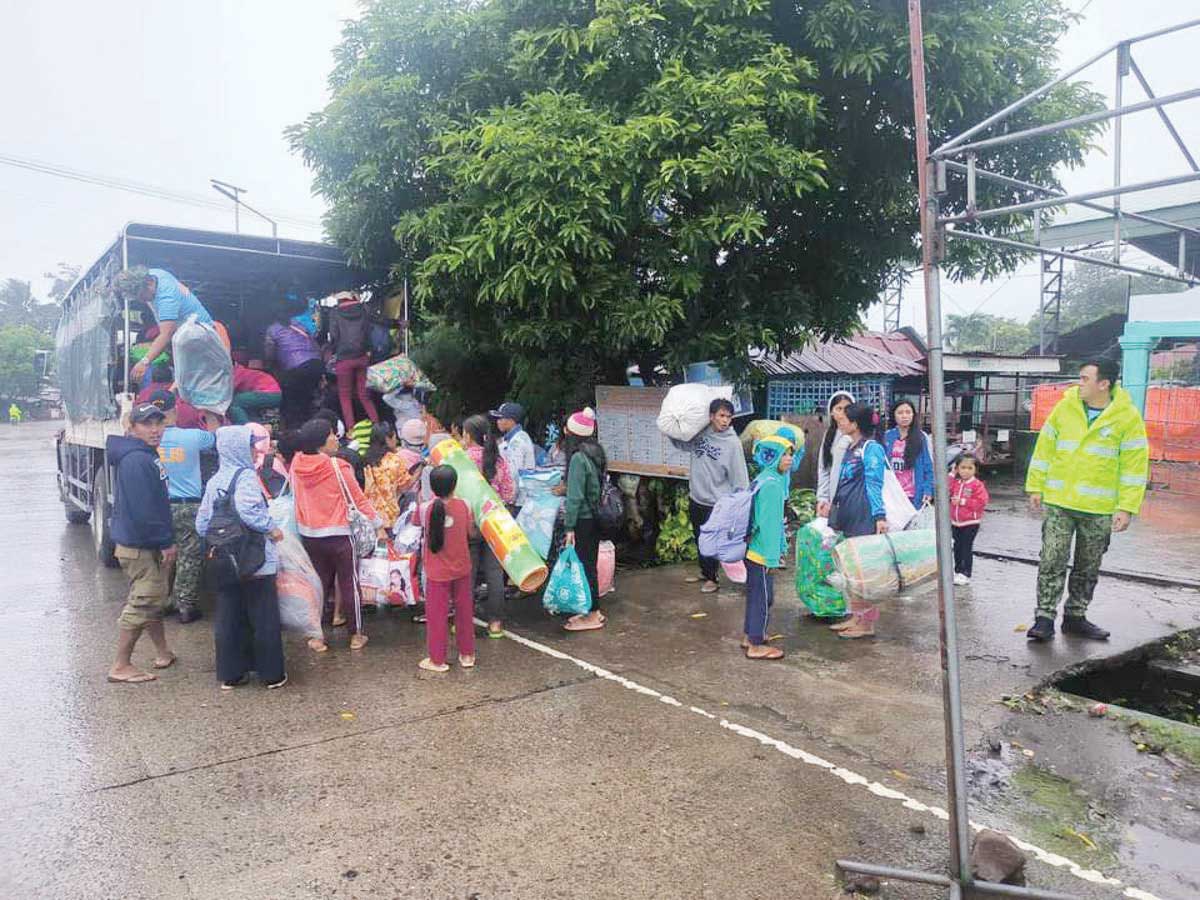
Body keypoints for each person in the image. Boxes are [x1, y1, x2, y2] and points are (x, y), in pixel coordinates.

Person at [1024, 359, 1149, 642]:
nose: (1078, 384)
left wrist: (1126, 507)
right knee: (1052, 560)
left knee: (1088, 565)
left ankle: (1075, 616)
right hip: (1060, 501)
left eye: (1084, 379)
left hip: (1098, 508)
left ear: (1103, 384)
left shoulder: (1127, 417)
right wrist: (1035, 486)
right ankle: (1044, 618)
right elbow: (1044, 448)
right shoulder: (1064, 408)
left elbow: (1134, 465)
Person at [195, 426, 288, 690]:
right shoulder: (246, 477)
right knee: (263, 616)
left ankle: (231, 674)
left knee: (228, 616)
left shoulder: (215, 480)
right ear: (237, 448)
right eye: (248, 445)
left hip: (224, 561)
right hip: (254, 559)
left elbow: (202, 524)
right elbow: (249, 511)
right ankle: (271, 674)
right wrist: (271, 527)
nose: (253, 450)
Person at [290, 418, 386, 650]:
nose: (336, 438)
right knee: (349, 583)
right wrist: (378, 524)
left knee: (318, 584)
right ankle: (356, 635)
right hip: (340, 534)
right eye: (332, 435)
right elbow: (358, 499)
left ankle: (316, 636)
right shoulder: (337, 466)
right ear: (321, 443)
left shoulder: (296, 464)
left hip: (310, 534)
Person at [105, 402, 177, 683]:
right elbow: (144, 510)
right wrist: (165, 541)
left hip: (141, 543)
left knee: (152, 599)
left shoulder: (144, 454)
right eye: (147, 424)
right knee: (142, 602)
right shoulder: (137, 460)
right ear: (132, 427)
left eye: (159, 423)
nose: (155, 429)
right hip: (140, 545)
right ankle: (121, 665)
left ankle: (163, 651)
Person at [151, 390, 216, 623]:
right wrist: (210, 412)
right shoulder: (192, 437)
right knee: (190, 555)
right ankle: (185, 605)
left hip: (160, 507)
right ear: (174, 410)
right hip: (188, 505)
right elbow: (216, 437)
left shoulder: (149, 441)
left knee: (164, 555)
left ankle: (163, 601)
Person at [675, 398, 750, 594]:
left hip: (717, 502)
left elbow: (739, 476)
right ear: (711, 417)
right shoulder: (700, 435)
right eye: (721, 415)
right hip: (696, 496)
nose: (725, 420)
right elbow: (682, 444)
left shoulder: (733, 443)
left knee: (711, 541)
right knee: (699, 537)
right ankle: (704, 571)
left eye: (728, 416)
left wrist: (740, 502)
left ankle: (712, 578)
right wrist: (674, 430)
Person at [828, 403, 889, 640]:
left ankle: (867, 624)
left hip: (865, 514)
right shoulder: (850, 446)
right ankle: (856, 616)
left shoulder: (871, 448)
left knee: (864, 571)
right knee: (851, 568)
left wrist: (879, 516)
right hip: (849, 512)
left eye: (843, 419)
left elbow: (875, 483)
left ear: (855, 424)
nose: (840, 422)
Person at [742, 426, 800, 660]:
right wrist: (773, 557)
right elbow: (770, 525)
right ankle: (756, 644)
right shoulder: (773, 485)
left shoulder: (763, 477)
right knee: (764, 599)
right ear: (773, 455)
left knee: (756, 595)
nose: (789, 458)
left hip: (753, 550)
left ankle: (750, 635)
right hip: (762, 552)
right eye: (784, 453)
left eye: (790, 453)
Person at [418, 465, 478, 672]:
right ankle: (467, 654)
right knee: (464, 611)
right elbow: (471, 533)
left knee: (437, 615)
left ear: (432, 487)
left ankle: (437, 660)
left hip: (436, 571)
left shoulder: (425, 508)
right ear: (455, 485)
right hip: (462, 566)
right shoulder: (466, 505)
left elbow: (417, 523)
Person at [462, 414, 516, 637]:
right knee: (495, 573)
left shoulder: (463, 459)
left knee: (469, 573)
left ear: (467, 435)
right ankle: (496, 624)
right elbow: (510, 493)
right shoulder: (498, 459)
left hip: (470, 522)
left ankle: (464, 623)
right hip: (495, 522)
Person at [115, 267, 216, 385]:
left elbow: (166, 334)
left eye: (141, 295)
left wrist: (144, 362)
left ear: (148, 284)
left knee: (196, 379)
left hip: (200, 339)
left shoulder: (166, 299)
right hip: (187, 335)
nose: (141, 300)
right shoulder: (155, 274)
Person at [562, 407, 607, 632]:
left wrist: (569, 526)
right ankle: (592, 610)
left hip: (584, 520)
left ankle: (592, 614)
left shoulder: (579, 458)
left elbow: (575, 496)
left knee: (586, 566)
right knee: (589, 564)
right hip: (595, 518)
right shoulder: (596, 451)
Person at [328, 292, 380, 430]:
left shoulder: (335, 313)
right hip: (362, 357)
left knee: (345, 396)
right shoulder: (363, 309)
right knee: (364, 395)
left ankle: (351, 430)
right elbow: (372, 326)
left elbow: (333, 336)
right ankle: (377, 425)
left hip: (344, 359)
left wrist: (334, 351)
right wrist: (398, 323)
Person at [264, 307, 324, 428]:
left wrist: (269, 365)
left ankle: (295, 429)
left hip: (296, 366)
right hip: (316, 364)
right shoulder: (300, 326)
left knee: (292, 399)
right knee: (308, 397)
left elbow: (269, 353)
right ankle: (311, 427)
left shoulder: (273, 329)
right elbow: (316, 345)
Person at [363, 422, 419, 528]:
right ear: (387, 439)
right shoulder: (394, 460)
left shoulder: (366, 460)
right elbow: (404, 487)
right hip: (391, 515)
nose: (396, 441)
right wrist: (418, 472)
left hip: (370, 516)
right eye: (394, 437)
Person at [882, 400, 933, 508]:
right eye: (900, 413)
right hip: (892, 494)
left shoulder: (921, 437)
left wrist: (928, 490)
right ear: (894, 415)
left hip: (913, 495)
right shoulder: (887, 437)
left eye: (908, 412)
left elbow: (929, 467)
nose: (904, 416)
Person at [949, 453, 989, 587]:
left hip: (970, 523)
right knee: (957, 547)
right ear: (957, 468)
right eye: (962, 467)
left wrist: (963, 501)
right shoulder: (956, 482)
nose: (966, 471)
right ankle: (958, 570)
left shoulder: (977, 485)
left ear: (975, 470)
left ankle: (966, 573)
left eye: (969, 468)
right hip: (955, 522)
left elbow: (981, 502)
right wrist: (951, 474)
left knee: (966, 547)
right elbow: (946, 488)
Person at [816, 392, 855, 518]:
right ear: (831, 412)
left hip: (853, 497)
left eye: (847, 409)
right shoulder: (829, 435)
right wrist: (822, 498)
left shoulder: (858, 435)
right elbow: (824, 468)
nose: (843, 412)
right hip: (833, 497)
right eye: (839, 409)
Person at [491, 401, 537, 507]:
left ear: (511, 421)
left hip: (518, 500)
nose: (497, 422)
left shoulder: (517, 442)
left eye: (500, 418)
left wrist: (508, 499)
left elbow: (514, 472)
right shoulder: (513, 438)